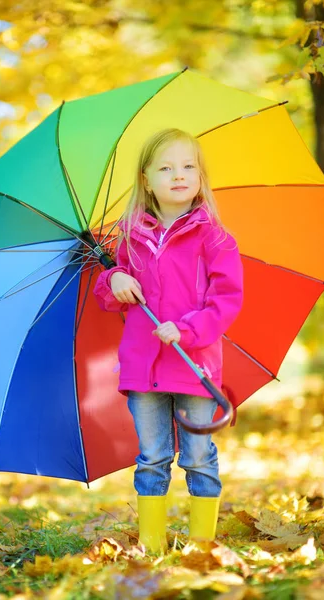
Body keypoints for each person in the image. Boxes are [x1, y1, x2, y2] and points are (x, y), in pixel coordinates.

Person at [93, 128, 243, 552]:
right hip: (144, 368)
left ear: (200, 176)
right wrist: (115, 277)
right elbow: (112, 298)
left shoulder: (215, 238)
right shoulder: (130, 238)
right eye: (166, 167)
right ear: (146, 180)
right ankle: (153, 546)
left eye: (188, 166)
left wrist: (188, 330)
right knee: (152, 458)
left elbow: (226, 301)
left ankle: (203, 548)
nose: (179, 175)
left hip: (193, 366)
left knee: (198, 457)